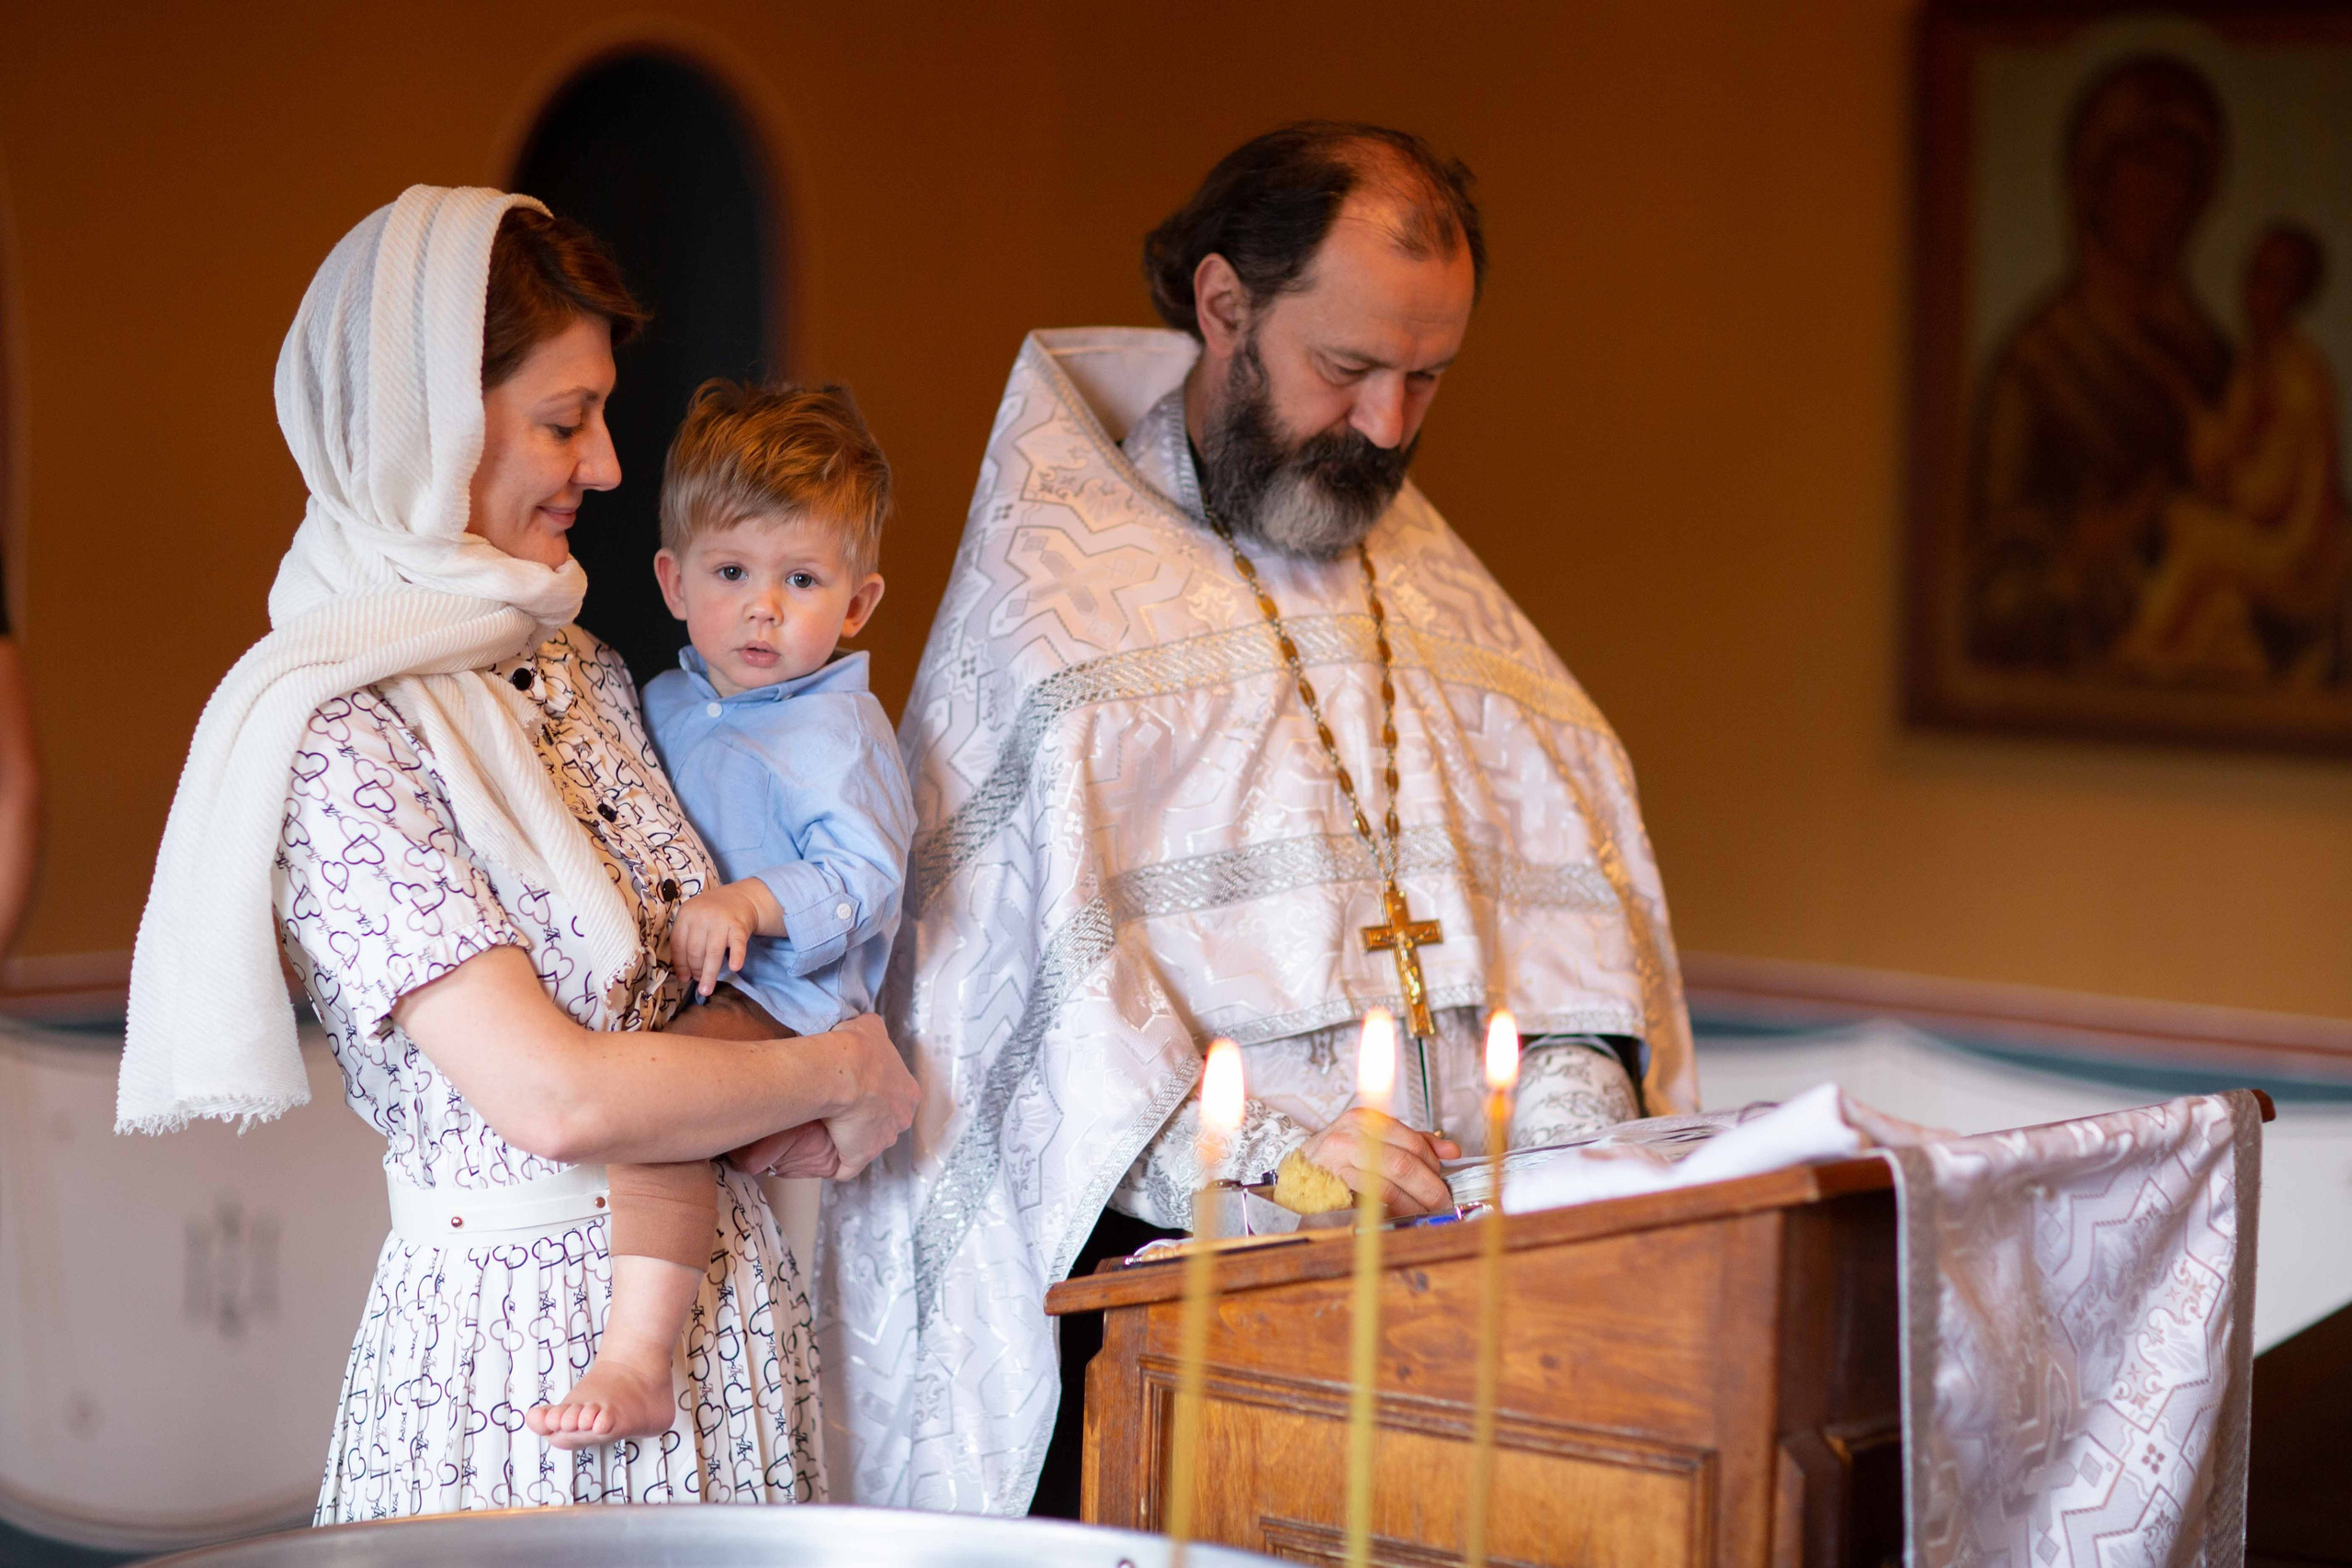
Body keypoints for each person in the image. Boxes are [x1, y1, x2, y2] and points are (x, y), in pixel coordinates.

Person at [820, 122, 1696, 1515]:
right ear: (1224, 305)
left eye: (1428, 377)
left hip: (1487, 1327)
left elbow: (1578, 954)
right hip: (1188, 1344)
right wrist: (1277, 1159)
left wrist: (1561, 1144)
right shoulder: (1062, 624)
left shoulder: (1451, 610)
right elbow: (997, 1036)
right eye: (1347, 368)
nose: (1391, 426)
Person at [117, 186, 917, 1518]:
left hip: (727, 1319)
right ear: (425, 423)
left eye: (600, 415)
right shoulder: (334, 729)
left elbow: (706, 982)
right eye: (564, 420)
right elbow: (556, 1098)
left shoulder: (582, 663)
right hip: (521, 1360)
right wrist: (843, 1066)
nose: (605, 465)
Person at [528, 381, 912, 1448]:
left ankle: (638, 1359)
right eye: (733, 573)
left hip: (784, 997)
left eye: (801, 580)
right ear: (673, 579)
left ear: (857, 604)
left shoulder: (838, 729)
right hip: (699, 981)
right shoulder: (656, 699)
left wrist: (754, 900)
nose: (764, 609)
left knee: (657, 1121)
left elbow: (868, 871)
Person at [1969, 53, 2233, 673]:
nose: (2160, 194)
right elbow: (1985, 596)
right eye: (2142, 165)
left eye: (2180, 173)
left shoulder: (2216, 361)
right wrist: (2074, 561)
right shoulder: (2037, 365)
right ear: (2094, 178)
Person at [2117, 222, 2352, 684]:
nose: (2254, 293)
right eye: (2253, 276)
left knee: (2197, 538)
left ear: (2296, 293)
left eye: (2272, 280)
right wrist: (2208, 441)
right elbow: (2222, 457)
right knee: (2190, 529)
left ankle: (2141, 646)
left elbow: (2266, 495)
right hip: (2264, 539)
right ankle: (2226, 655)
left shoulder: (2300, 377)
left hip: (2301, 555)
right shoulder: (2254, 362)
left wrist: (2223, 466)